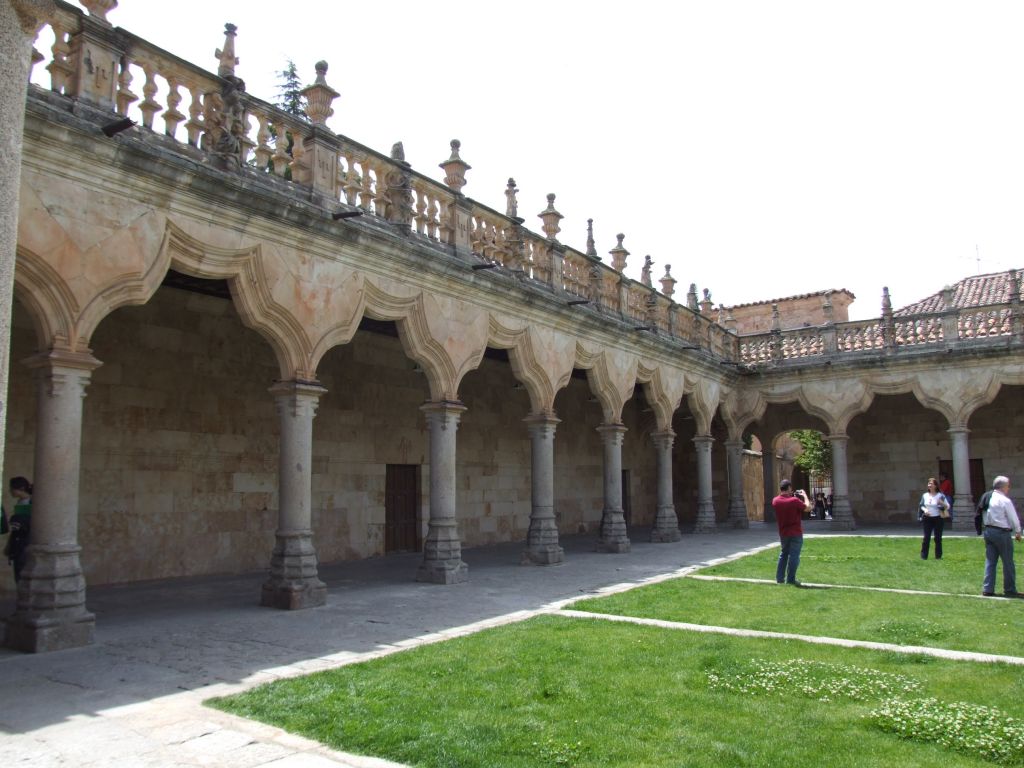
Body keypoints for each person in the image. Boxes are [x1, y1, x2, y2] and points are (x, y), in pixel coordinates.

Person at [981, 475, 1022, 597]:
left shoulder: (987, 497)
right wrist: (1018, 531)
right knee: (1008, 562)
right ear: (1003, 487)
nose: (1008, 488)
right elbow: (1013, 517)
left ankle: (987, 589)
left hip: (988, 531)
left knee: (990, 561)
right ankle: (1010, 589)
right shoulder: (1004, 500)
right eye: (1008, 486)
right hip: (1001, 532)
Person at [773, 479, 811, 585]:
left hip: (783, 533)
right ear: (789, 488)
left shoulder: (775, 501)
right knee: (794, 556)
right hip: (795, 532)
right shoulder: (794, 501)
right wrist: (804, 496)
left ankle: (779, 579)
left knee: (783, 554)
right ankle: (791, 579)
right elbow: (808, 508)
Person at [5, 476, 32, 582]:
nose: (10, 491)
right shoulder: (20, 502)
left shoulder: (33, 502)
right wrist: (9, 544)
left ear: (21, 488)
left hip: (27, 541)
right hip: (18, 541)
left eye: (12, 488)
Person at [919, 477, 949, 560]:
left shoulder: (940, 495)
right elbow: (921, 505)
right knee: (926, 537)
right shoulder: (925, 495)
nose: (929, 485)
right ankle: (924, 556)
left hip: (938, 518)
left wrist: (942, 503)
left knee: (938, 538)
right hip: (927, 518)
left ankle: (938, 556)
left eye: (931, 484)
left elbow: (948, 506)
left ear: (935, 485)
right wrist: (925, 510)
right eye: (928, 484)